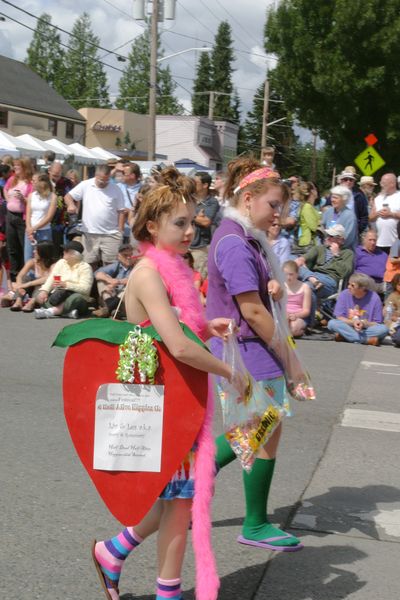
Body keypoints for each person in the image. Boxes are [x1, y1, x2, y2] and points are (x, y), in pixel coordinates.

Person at [92, 167, 242, 600]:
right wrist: (229, 370)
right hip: (159, 406)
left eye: (192, 223)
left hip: (175, 402)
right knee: (179, 504)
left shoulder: (172, 268)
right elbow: (176, 346)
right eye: (179, 223)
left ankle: (113, 552)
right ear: (152, 225)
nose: (188, 232)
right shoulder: (149, 272)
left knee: (176, 498)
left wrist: (208, 328)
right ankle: (167, 593)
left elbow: (179, 330)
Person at [206, 157, 303, 552]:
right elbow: (252, 311)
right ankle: (252, 521)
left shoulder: (243, 237)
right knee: (257, 429)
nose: (279, 213)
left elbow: (255, 298)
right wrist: (292, 361)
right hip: (245, 348)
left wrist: (272, 287)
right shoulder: (233, 241)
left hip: (250, 347)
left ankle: (194, 479)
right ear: (248, 199)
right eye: (274, 205)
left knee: (262, 427)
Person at [65, 164, 126, 269]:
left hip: (111, 234)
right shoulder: (86, 185)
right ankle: (92, 284)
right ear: (96, 176)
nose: (103, 183)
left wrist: (120, 230)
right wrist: (71, 204)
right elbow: (68, 196)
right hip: (90, 233)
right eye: (101, 180)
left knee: (110, 264)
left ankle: (107, 284)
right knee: (89, 263)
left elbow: (121, 211)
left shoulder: (116, 189)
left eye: (106, 181)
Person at [34, 240, 93, 319]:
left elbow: (86, 289)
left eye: (66, 251)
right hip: (59, 294)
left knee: (77, 297)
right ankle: (66, 312)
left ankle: (52, 311)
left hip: (76, 296)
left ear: (74, 254)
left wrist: (67, 285)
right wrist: (44, 291)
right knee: (39, 294)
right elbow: (51, 279)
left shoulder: (85, 267)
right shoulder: (61, 262)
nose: (63, 252)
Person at [327, 273, 389, 345]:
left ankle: (346, 337)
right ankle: (366, 340)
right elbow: (339, 317)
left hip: (366, 329)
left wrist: (363, 323)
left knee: (384, 329)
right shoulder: (344, 294)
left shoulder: (375, 298)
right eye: (348, 284)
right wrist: (353, 322)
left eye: (352, 285)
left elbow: (377, 323)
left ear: (362, 288)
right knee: (332, 323)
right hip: (348, 327)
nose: (349, 287)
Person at [296, 224, 354, 301]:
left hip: (329, 280)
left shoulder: (347, 253)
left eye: (331, 236)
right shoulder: (320, 248)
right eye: (328, 235)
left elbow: (344, 272)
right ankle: (311, 278)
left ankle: (310, 279)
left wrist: (336, 255)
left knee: (306, 287)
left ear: (341, 240)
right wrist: (301, 260)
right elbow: (301, 259)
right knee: (294, 264)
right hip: (314, 276)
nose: (327, 238)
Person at [3, 157, 34, 281]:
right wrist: (8, 200)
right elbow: (5, 189)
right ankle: (14, 275)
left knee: (23, 247)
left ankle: (23, 275)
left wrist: (23, 199)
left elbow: (32, 202)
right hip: (10, 215)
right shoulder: (12, 179)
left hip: (22, 218)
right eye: (14, 165)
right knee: (11, 247)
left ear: (25, 168)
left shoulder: (30, 183)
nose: (15, 168)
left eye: (17, 166)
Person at [7, 240, 56, 312]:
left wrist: (27, 284)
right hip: (31, 289)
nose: (34, 252)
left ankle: (32, 302)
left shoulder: (53, 265)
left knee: (42, 285)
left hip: (42, 289)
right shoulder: (32, 262)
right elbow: (20, 276)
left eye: (36, 250)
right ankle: (18, 301)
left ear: (43, 252)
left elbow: (48, 278)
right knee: (25, 278)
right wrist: (20, 287)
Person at [189, 171, 219, 279]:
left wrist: (190, 215)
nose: (192, 184)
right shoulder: (189, 198)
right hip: (185, 246)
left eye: (195, 182)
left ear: (205, 185)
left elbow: (206, 222)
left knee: (199, 280)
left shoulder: (212, 202)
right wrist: (197, 217)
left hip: (200, 248)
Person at [93, 243, 135, 318]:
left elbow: (134, 279)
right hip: (113, 294)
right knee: (101, 280)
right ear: (119, 256)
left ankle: (108, 309)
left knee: (129, 286)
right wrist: (109, 280)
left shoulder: (137, 266)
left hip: (126, 299)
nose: (128, 257)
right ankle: (111, 308)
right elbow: (97, 273)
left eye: (131, 255)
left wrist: (118, 282)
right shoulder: (117, 265)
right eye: (125, 255)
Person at [24, 173, 57, 261]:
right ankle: (29, 275)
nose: (32, 182)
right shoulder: (31, 195)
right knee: (28, 258)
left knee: (44, 259)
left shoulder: (52, 197)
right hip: (30, 231)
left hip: (44, 231)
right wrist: (29, 228)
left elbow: (49, 217)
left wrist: (34, 228)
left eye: (34, 181)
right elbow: (28, 214)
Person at [369, 173, 400, 253]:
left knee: (394, 264)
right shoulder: (378, 198)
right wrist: (377, 213)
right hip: (379, 242)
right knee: (381, 265)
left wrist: (391, 214)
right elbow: (370, 218)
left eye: (383, 183)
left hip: (396, 242)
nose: (381, 185)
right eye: (380, 183)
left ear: (392, 184)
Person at [48, 161, 73, 255]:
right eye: (54, 175)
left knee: (59, 248)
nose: (56, 178)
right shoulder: (44, 181)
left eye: (58, 175)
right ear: (49, 171)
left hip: (61, 220)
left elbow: (71, 197)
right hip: (46, 219)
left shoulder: (66, 182)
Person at [322, 185, 358, 250]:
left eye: (336, 198)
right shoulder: (328, 212)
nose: (332, 200)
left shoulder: (350, 216)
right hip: (327, 248)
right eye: (332, 197)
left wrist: (336, 247)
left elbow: (349, 238)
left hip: (343, 251)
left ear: (344, 199)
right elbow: (323, 228)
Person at [336, 168, 369, 235]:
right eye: (346, 179)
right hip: (335, 231)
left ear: (354, 182)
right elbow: (326, 209)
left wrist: (358, 230)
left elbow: (364, 216)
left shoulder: (359, 195)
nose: (348, 181)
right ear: (341, 181)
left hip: (353, 231)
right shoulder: (334, 193)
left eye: (351, 180)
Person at [283, 260, 312, 337]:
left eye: (291, 274)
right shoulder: (281, 286)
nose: (288, 277)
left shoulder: (305, 287)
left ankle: (300, 330)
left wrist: (295, 315)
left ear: (297, 274)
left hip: (299, 316)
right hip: (284, 315)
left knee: (293, 328)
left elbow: (306, 311)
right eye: (285, 274)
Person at [354, 229, 387, 293]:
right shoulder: (357, 252)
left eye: (374, 240)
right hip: (365, 281)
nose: (373, 242)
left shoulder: (383, 254)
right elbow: (352, 269)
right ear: (364, 240)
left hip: (382, 283)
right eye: (370, 240)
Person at [293, 181, 320, 254]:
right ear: (312, 192)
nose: (317, 192)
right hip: (308, 243)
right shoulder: (307, 207)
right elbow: (313, 227)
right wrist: (320, 222)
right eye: (315, 189)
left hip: (310, 242)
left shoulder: (310, 207)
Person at [118, 163, 141, 243]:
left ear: (132, 176)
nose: (122, 176)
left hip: (135, 233)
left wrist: (130, 212)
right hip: (119, 232)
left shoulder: (143, 190)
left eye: (124, 173)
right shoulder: (118, 187)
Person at [383, 221, 400, 295]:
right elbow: (392, 260)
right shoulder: (397, 243)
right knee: (390, 301)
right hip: (392, 279)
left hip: (397, 278)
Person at [384, 273, 400, 347]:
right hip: (395, 324)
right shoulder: (393, 296)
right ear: (395, 285)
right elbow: (389, 314)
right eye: (399, 284)